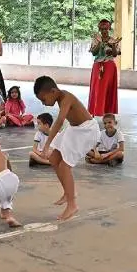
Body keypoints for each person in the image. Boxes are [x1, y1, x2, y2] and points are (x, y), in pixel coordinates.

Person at [34, 76, 101, 221]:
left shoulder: (66, 97)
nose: (44, 104)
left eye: (44, 100)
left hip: (87, 131)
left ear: (53, 91)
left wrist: (46, 146)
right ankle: (68, 192)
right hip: (75, 129)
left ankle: (72, 205)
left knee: (65, 166)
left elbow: (59, 122)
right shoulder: (59, 98)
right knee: (53, 158)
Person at [88, 18, 120, 117]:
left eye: (106, 29)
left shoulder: (113, 40)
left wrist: (113, 45)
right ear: (100, 30)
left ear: (109, 29)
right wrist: (100, 43)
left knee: (108, 88)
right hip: (98, 66)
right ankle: (95, 110)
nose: (104, 31)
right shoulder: (96, 39)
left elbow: (115, 54)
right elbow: (94, 52)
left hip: (109, 66)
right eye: (102, 29)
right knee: (96, 88)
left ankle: (107, 111)